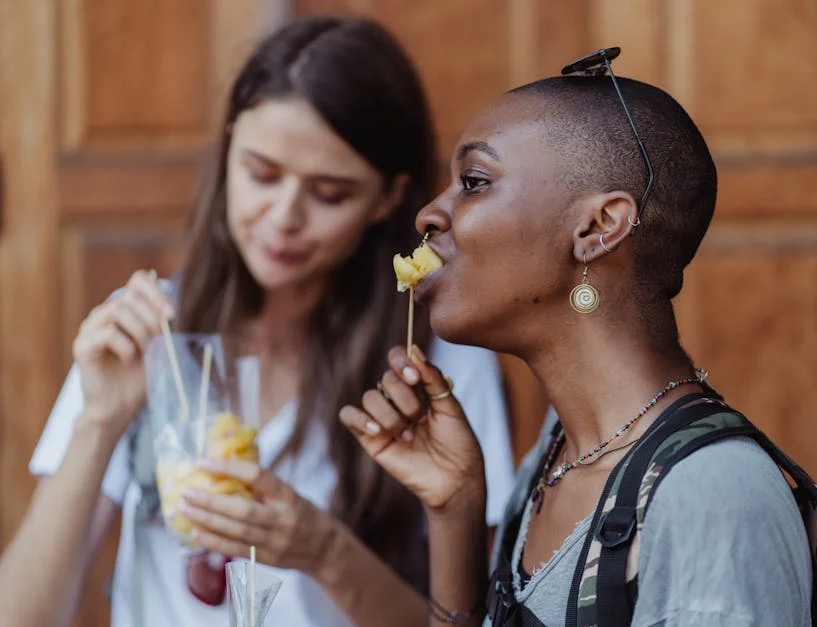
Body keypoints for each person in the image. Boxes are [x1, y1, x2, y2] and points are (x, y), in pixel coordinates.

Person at [0, 15, 515, 627]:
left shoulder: (440, 364)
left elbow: (465, 620)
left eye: (329, 193)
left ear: (386, 198)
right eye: (261, 174)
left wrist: (323, 551)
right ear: (226, 154)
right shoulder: (146, 333)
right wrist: (99, 419)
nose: (283, 217)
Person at [339, 51, 813, 626]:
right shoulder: (555, 456)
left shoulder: (709, 495)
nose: (429, 216)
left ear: (597, 228)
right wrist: (455, 510)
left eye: (473, 182)